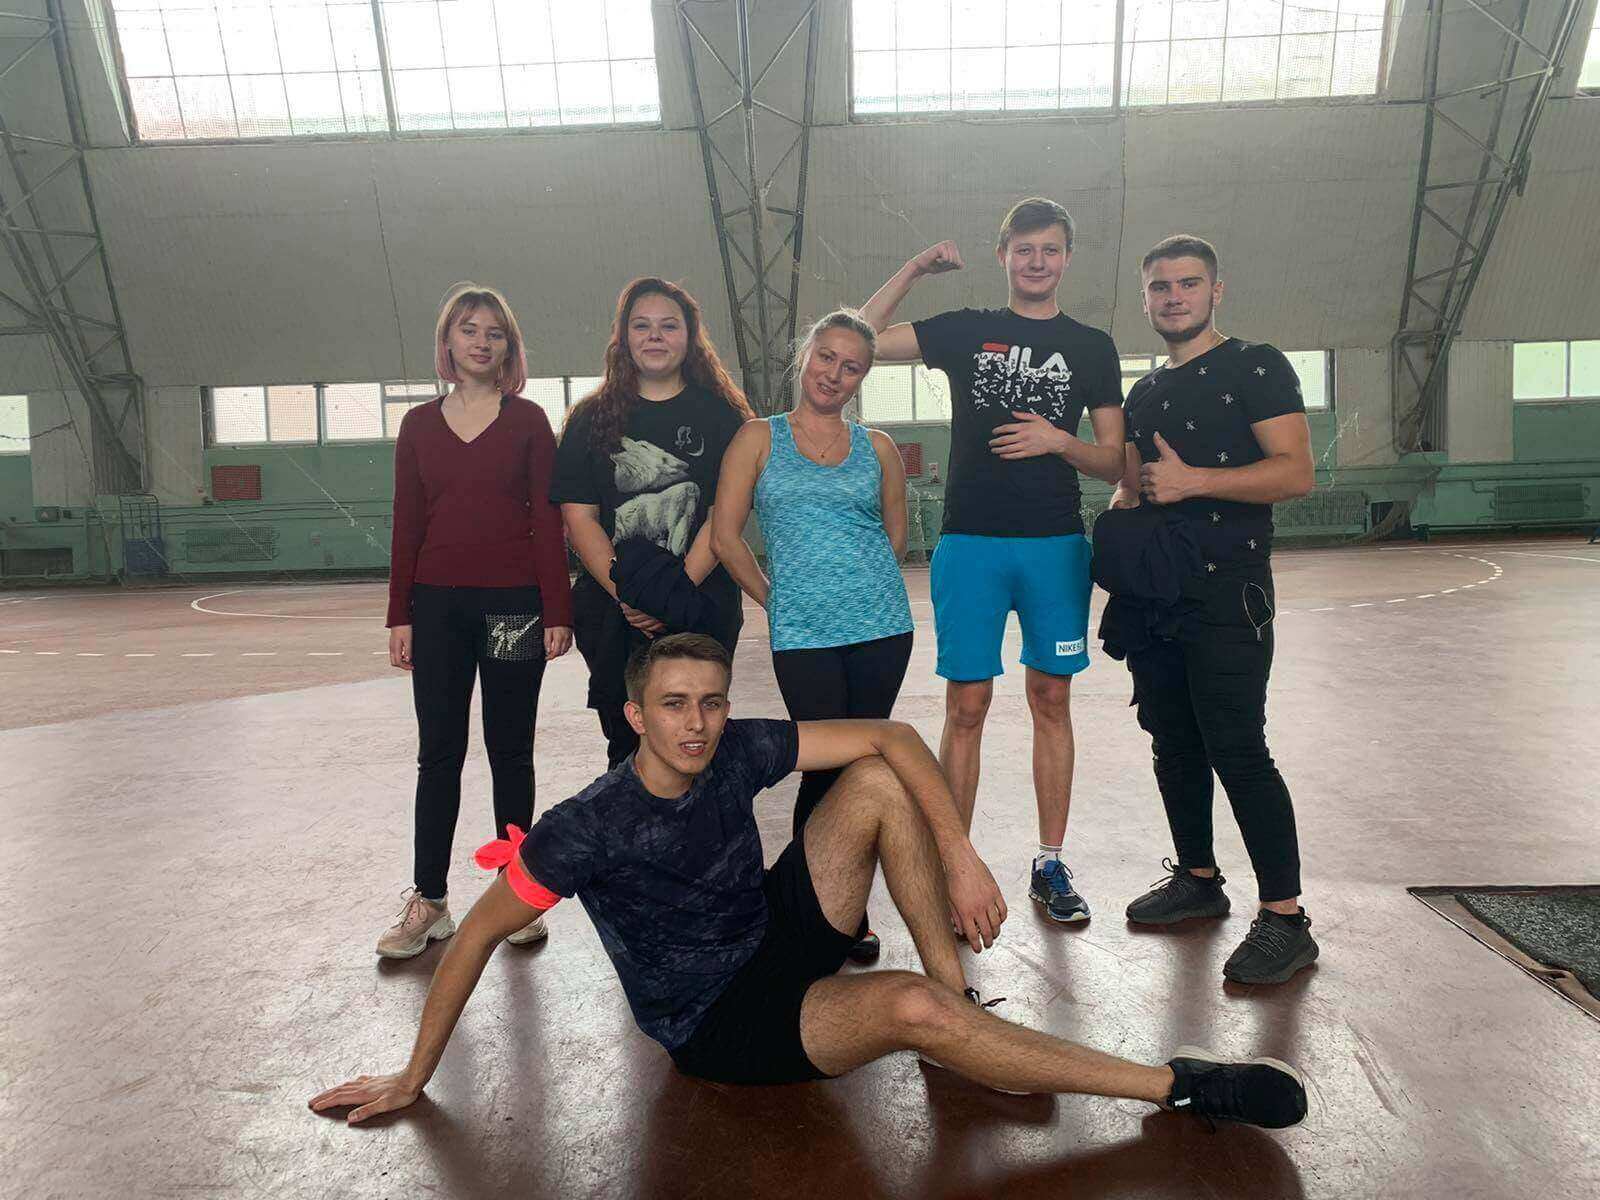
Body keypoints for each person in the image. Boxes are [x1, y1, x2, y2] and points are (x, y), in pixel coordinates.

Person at [310, 634, 1308, 1132]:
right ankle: (1181, 1086)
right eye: (673, 705)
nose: (697, 723)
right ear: (634, 715)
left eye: (709, 702)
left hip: (775, 932)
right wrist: (413, 1076)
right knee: (906, 1007)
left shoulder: (736, 748)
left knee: (873, 782)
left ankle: (961, 1013)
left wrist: (959, 855)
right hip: (717, 1020)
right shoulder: (589, 827)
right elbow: (478, 934)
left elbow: (894, 735)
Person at [860, 198, 1126, 923]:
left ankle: (1050, 861)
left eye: (1051, 249)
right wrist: (915, 268)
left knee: (1051, 700)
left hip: (1055, 547)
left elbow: (1115, 461)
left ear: (1067, 257)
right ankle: (957, 862)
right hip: (971, 544)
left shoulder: (1092, 346)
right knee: (967, 705)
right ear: (1004, 254)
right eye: (1024, 248)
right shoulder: (967, 330)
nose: (1037, 261)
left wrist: (1059, 441)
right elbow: (858, 339)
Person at [1108, 235, 1318, 985]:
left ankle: (1286, 919)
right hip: (1159, 593)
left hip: (1230, 588)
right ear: (1146, 299)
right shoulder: (1144, 391)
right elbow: (1133, 481)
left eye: (1188, 283)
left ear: (1215, 291)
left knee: (1237, 745)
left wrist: (1194, 481)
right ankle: (1198, 878)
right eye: (1160, 286)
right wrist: (1119, 515)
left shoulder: (1255, 366)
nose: (1174, 297)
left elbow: (1296, 472)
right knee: (1173, 741)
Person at [712, 309, 914, 964]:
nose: (834, 374)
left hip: (881, 628)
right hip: (804, 634)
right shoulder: (757, 438)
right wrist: (776, 600)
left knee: (863, 765)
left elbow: (894, 537)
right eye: (826, 357)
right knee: (823, 765)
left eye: (851, 367)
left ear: (862, 377)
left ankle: (849, 914)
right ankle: (813, 910)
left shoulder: (877, 447)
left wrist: (861, 589)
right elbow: (726, 537)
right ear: (805, 357)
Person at [379, 283, 574, 958]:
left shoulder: (529, 422)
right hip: (436, 609)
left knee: (510, 749)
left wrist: (556, 608)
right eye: (469, 329)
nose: (482, 342)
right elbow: (407, 524)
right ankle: (429, 900)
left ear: (509, 346)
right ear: (448, 341)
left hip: (514, 606)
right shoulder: (417, 427)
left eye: (495, 332)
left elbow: (547, 521)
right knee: (439, 752)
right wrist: (399, 615)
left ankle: (513, 895)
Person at [554, 277, 753, 768]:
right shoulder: (590, 418)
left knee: (697, 745)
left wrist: (670, 595)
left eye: (669, 326)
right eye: (641, 326)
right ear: (623, 337)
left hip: (700, 602)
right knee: (627, 749)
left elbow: (723, 515)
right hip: (614, 611)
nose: (655, 336)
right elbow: (580, 517)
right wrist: (630, 596)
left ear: (690, 336)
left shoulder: (724, 416)